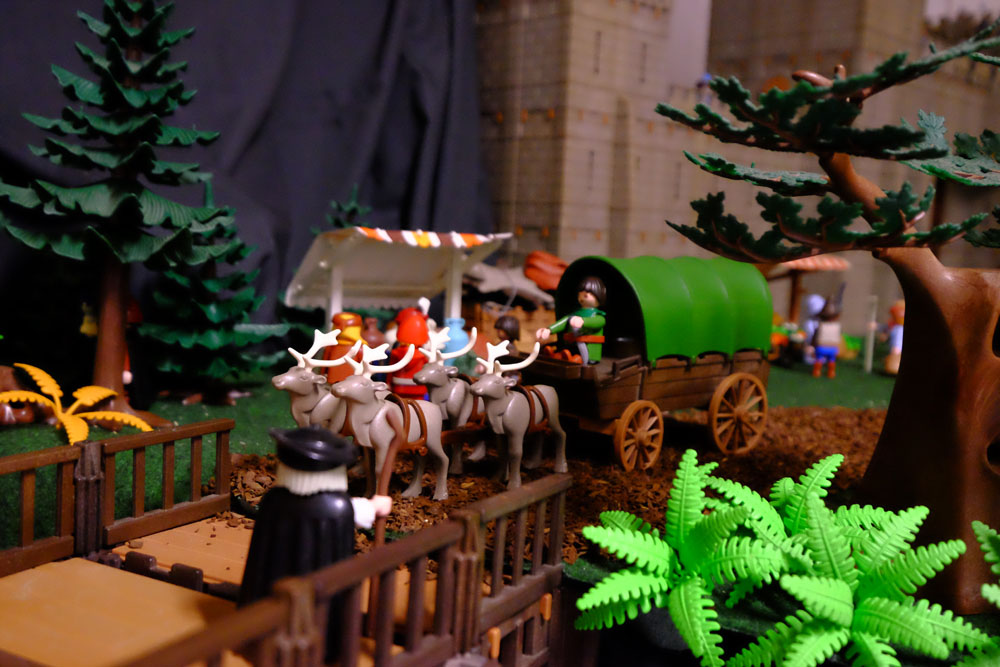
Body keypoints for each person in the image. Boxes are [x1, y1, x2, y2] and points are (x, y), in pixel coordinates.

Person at [239, 426, 391, 661]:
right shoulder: (336, 507)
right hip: (319, 600)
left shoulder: (273, 501)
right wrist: (376, 505)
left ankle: (257, 638)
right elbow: (356, 511)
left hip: (274, 587)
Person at [536, 276, 606, 364]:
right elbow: (563, 322)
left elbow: (599, 322)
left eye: (588, 294)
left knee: (577, 357)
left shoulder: (597, 315)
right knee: (565, 353)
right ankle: (556, 355)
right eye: (581, 293)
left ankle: (572, 359)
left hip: (588, 350)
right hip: (571, 345)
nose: (584, 296)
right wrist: (549, 330)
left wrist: (583, 321)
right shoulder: (575, 314)